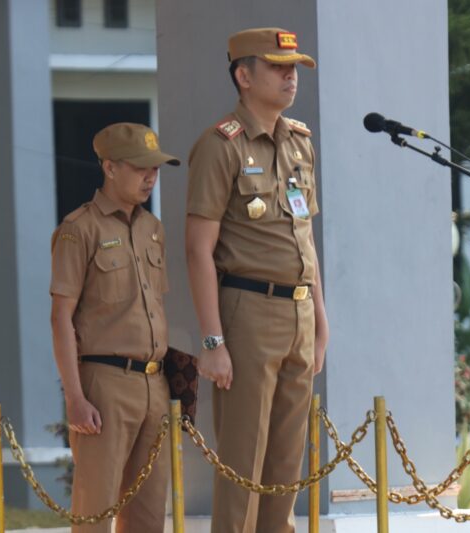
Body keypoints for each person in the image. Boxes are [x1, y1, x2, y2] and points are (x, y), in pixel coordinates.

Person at [185, 27, 329, 533]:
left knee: (288, 461)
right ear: (244, 76)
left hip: (299, 310)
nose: (291, 76)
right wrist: (212, 340)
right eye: (277, 66)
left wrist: (320, 320)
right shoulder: (220, 144)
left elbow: (305, 238)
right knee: (243, 458)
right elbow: (198, 250)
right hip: (247, 312)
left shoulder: (300, 143)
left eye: (294, 67)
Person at [50, 122, 180, 533]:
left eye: (156, 169)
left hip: (154, 385)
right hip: (104, 385)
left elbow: (155, 309)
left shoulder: (153, 230)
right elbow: (60, 318)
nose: (150, 177)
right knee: (95, 513)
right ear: (109, 167)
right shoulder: (79, 229)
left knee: (147, 516)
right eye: (141, 168)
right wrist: (74, 397)